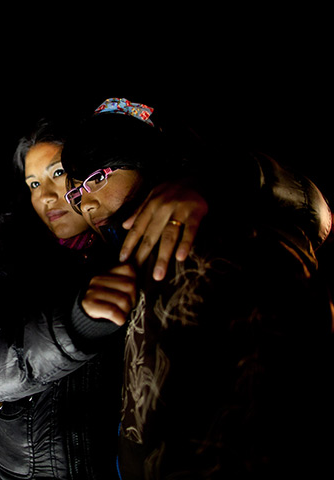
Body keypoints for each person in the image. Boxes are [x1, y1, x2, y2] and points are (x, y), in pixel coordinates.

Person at [59, 98, 333, 479]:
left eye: (97, 178)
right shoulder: (127, 262)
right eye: (76, 193)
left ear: (142, 156)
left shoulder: (230, 231)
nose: (84, 202)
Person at [0, 114, 210, 480]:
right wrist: (73, 327)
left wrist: (198, 187)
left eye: (57, 173)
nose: (45, 196)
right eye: (33, 183)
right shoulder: (9, 263)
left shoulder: (144, 236)